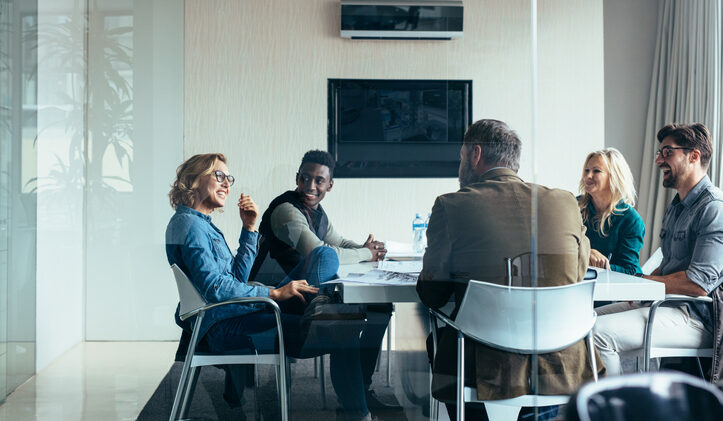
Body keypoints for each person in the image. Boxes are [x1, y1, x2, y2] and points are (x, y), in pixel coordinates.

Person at [165, 153, 375, 421]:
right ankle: (359, 413)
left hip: (236, 316)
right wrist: (273, 293)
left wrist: (249, 229)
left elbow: (235, 280)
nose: (227, 184)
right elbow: (216, 288)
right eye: (219, 176)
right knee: (342, 329)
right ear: (194, 179)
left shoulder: (198, 224)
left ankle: (320, 312)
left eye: (228, 178)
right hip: (229, 329)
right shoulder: (190, 225)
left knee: (324, 260)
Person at [417, 119, 603, 421]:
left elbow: (433, 294)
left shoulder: (451, 205)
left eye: (461, 157)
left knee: (439, 340)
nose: (460, 165)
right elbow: (577, 272)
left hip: (486, 362)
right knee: (541, 349)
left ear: (475, 154)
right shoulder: (566, 202)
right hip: (562, 357)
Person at [254, 150, 400, 416]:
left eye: (319, 181)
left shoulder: (317, 211)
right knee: (343, 322)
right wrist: (365, 254)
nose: (311, 186)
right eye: (305, 178)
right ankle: (356, 408)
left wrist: (365, 248)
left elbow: (339, 242)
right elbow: (321, 251)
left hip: (304, 295)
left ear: (329, 185)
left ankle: (362, 389)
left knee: (380, 305)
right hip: (275, 298)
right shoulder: (286, 210)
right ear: (297, 178)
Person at [594, 123, 723, 382]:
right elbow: (666, 265)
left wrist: (643, 283)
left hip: (696, 316)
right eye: (659, 152)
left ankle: (613, 410)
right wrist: (640, 291)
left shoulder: (714, 208)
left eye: (666, 152)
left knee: (598, 333)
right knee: (583, 322)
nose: (657, 160)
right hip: (665, 305)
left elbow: (698, 284)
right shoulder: (676, 207)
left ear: (694, 156)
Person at [578, 148, 645, 274]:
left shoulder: (631, 220)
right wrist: (586, 252)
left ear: (614, 177)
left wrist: (603, 266)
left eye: (596, 171)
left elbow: (632, 271)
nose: (588, 176)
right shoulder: (574, 207)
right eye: (586, 170)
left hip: (612, 290)